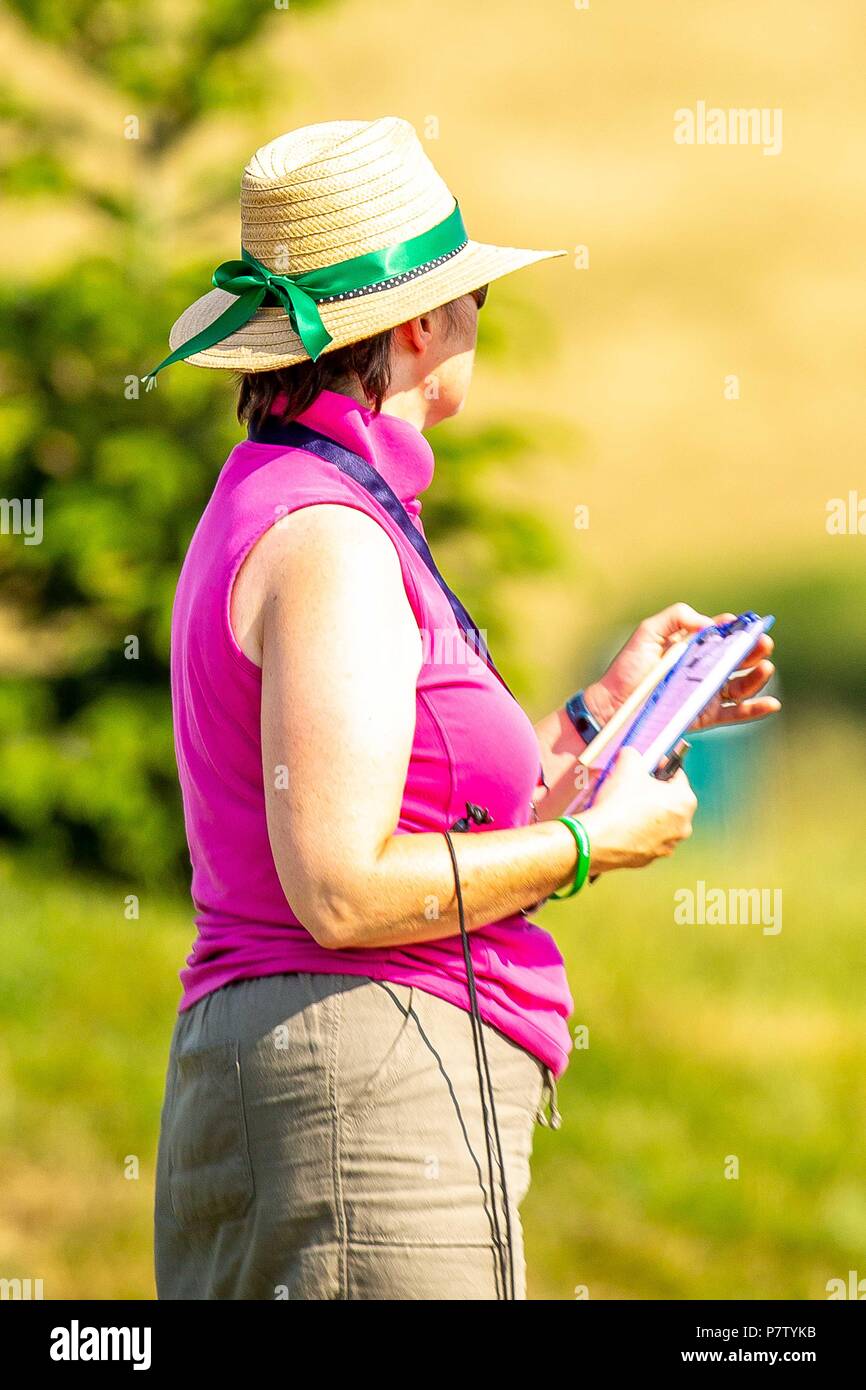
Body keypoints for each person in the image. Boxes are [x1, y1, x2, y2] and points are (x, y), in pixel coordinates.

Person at [151, 117, 778, 1300]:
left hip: (333, 1078)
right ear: (414, 328)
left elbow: (421, 804)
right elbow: (341, 891)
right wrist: (593, 846)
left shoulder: (310, 501)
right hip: (361, 1086)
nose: (474, 323)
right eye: (467, 300)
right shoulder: (333, 539)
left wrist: (599, 717)